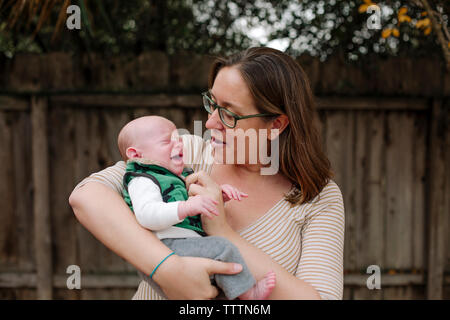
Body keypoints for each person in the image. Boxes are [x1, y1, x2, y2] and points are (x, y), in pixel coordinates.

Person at [69, 47, 345, 300]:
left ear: (276, 124)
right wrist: (168, 269)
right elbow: (86, 197)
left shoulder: (318, 198)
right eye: (212, 104)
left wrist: (223, 231)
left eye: (229, 114)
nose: (211, 122)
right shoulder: (184, 154)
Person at [118, 115, 276, 300]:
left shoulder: (175, 175)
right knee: (222, 248)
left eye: (178, 139)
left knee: (211, 283)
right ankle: (248, 293)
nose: (179, 145)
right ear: (136, 155)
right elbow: (147, 215)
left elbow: (193, 200)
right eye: (167, 141)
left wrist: (218, 195)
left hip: (182, 243)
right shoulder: (142, 179)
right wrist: (186, 207)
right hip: (167, 246)